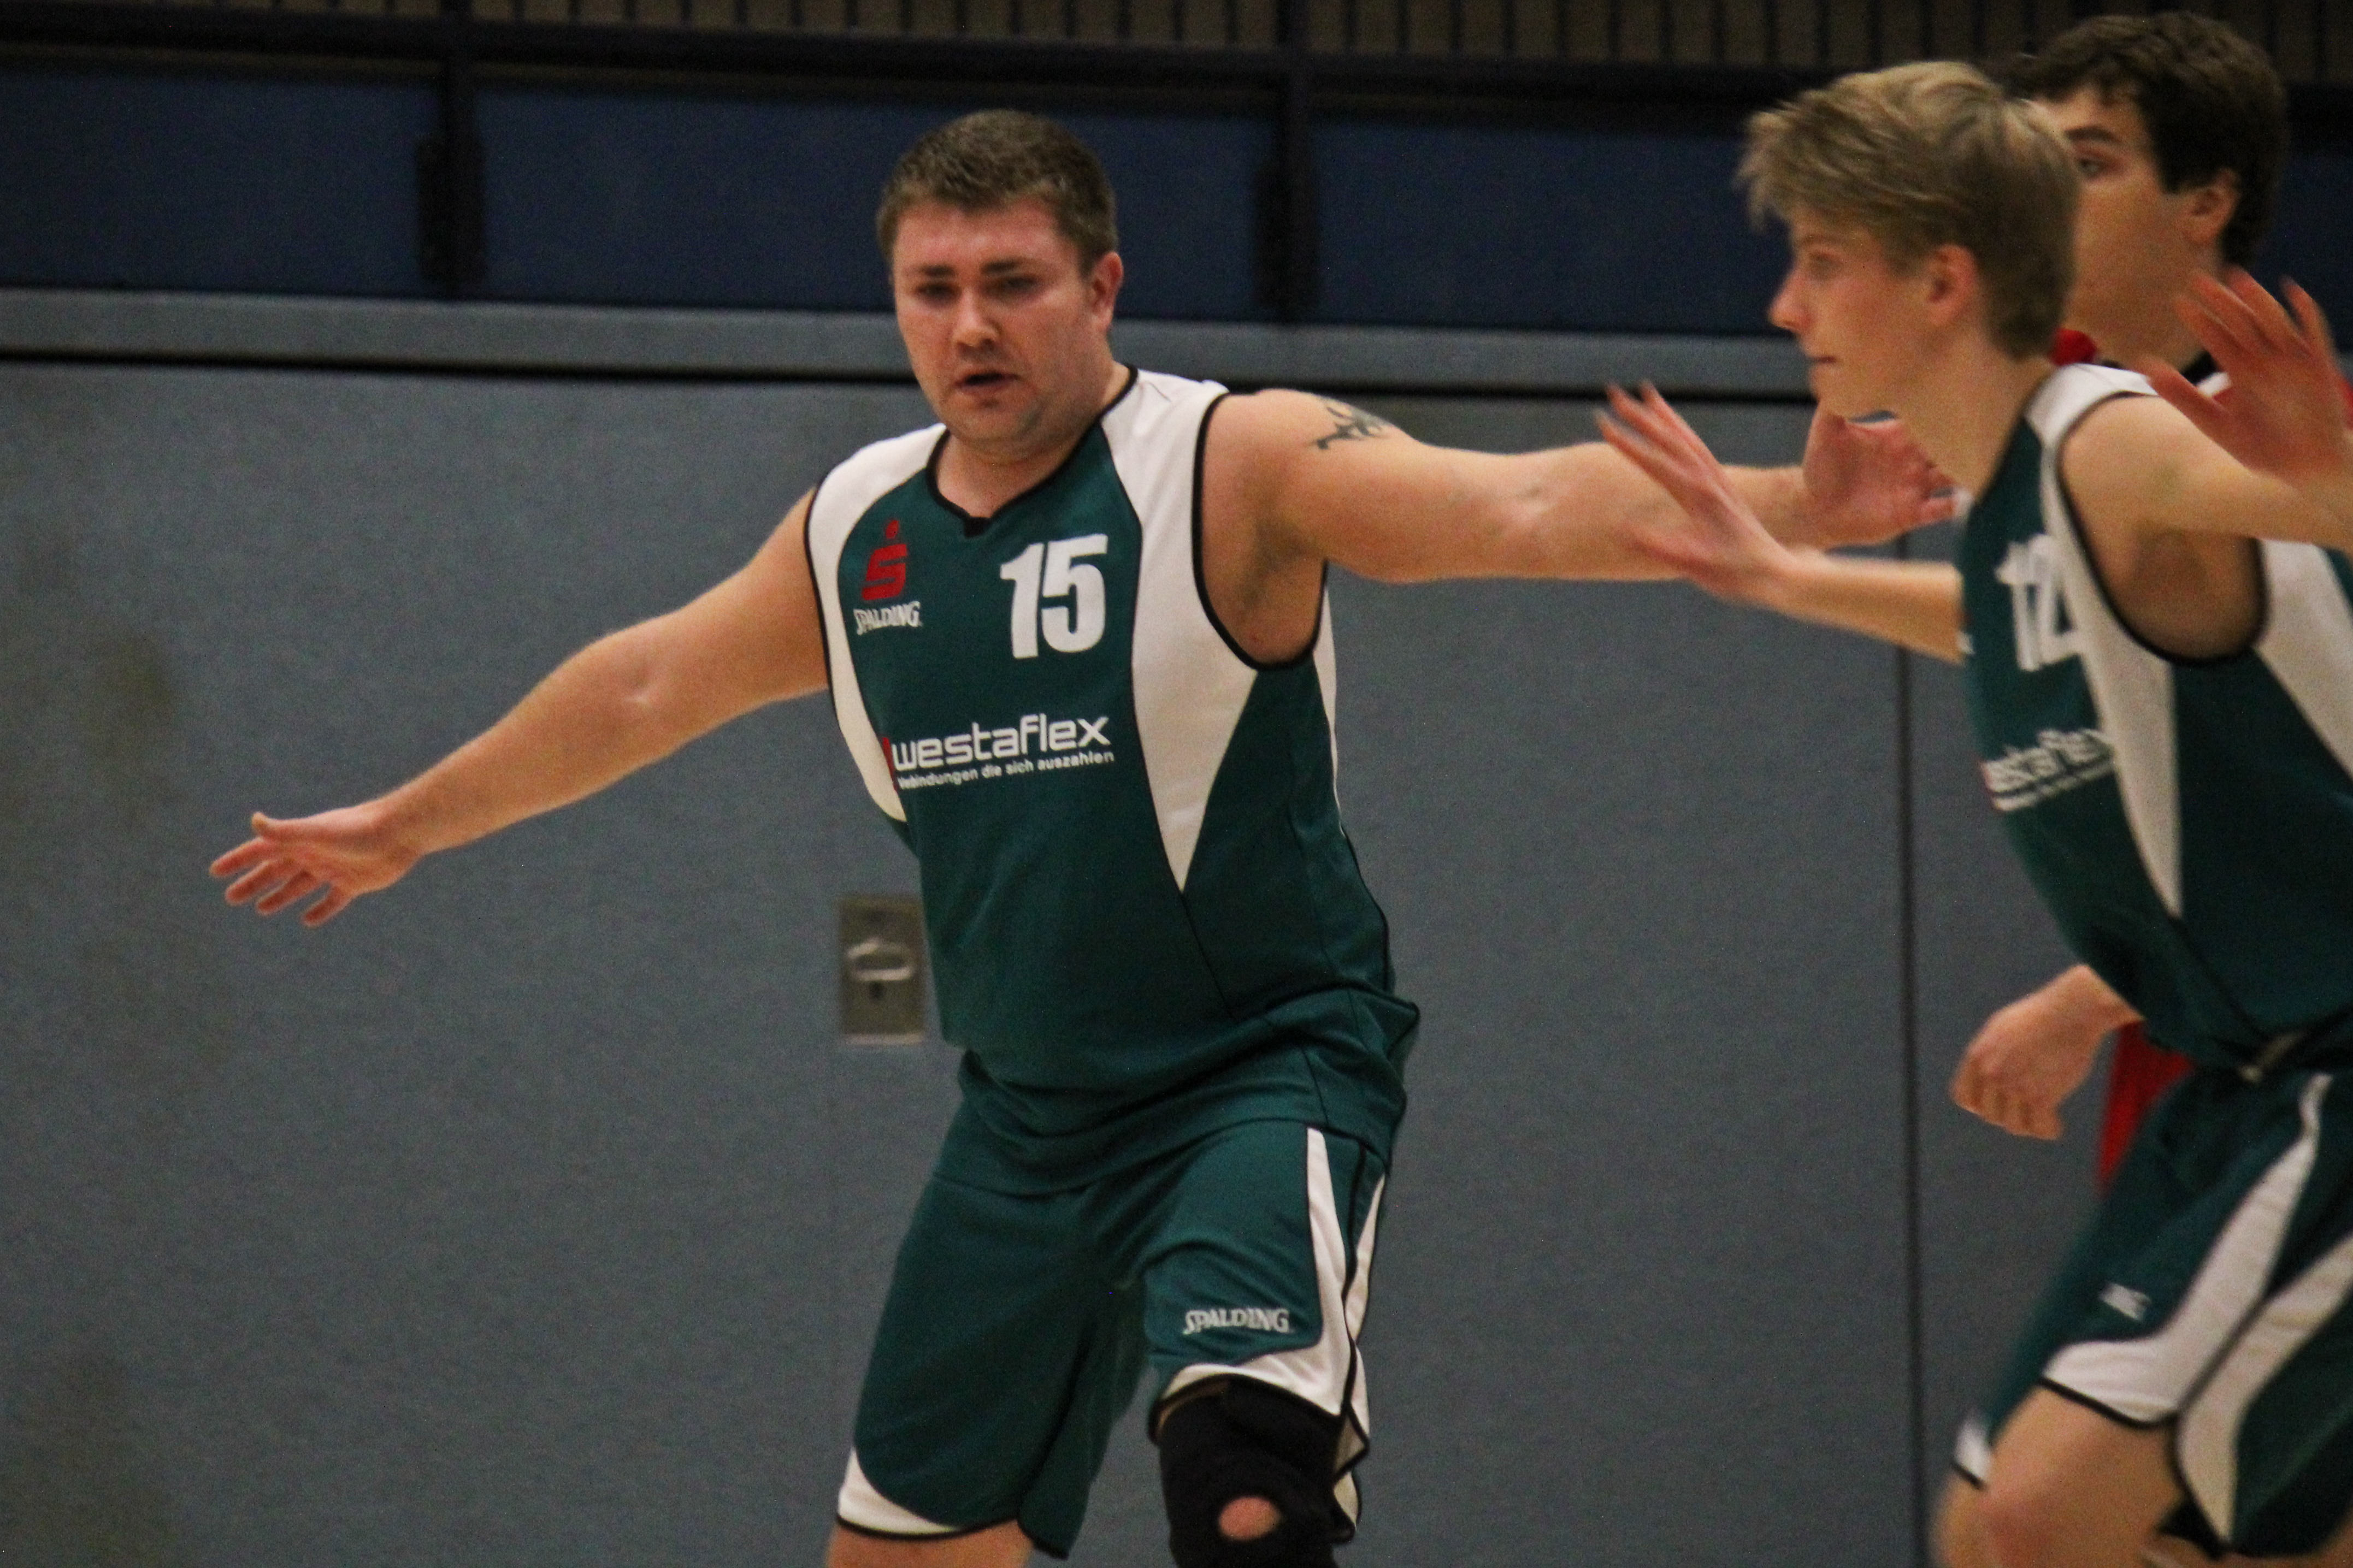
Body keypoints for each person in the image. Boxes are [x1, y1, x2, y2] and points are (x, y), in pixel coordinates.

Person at [210, 110, 1938, 1568]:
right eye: (933, 290)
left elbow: (1519, 504)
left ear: (1101, 288)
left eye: (1012, 283)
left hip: (1257, 1073)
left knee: (1243, 1490)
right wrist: (408, 826)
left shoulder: (1232, 459)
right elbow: (645, 683)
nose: (971, 326)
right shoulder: (858, 529)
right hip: (1027, 1125)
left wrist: (1795, 508)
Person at [1596, 63, 2353, 1568]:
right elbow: (2013, 618)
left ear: (1943, 282)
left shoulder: (2105, 438)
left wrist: (2331, 484)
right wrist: (1787, 579)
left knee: (2049, 1516)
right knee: (2000, 1528)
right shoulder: (2025, 488)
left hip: (2331, 1065)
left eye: (1821, 262)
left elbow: (2304, 513)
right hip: (2238, 1084)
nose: (1785, 308)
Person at [1953, 11, 2297, 1186]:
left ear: (2207, 200)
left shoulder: (2290, 462)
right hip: (2198, 1050)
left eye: (2089, 166)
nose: (2045, 201)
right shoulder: (2056, 429)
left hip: (2297, 1043)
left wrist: (2088, 996)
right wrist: (1771, 565)